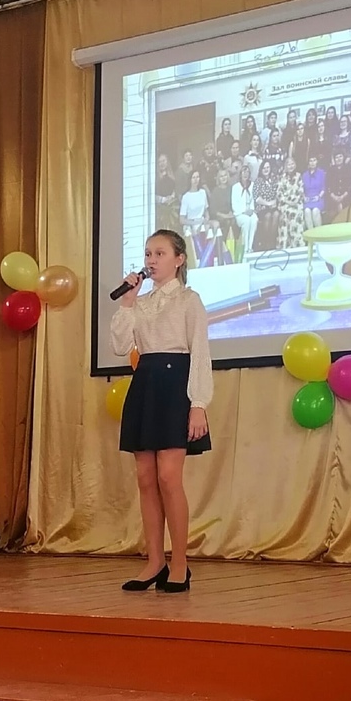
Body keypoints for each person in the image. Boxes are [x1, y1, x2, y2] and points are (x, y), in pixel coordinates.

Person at [110, 230, 212, 593]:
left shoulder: (189, 300)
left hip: (175, 387)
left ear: (179, 259)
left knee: (169, 477)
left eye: (160, 253)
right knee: (145, 478)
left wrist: (198, 404)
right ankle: (154, 561)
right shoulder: (140, 303)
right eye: (148, 254)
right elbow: (120, 346)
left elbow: (200, 353)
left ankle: (180, 563)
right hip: (146, 384)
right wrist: (127, 301)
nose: (151, 260)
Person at [276, 156, 305, 249]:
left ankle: (297, 243)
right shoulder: (282, 177)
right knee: (286, 213)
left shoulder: (299, 176)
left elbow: (301, 191)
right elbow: (279, 193)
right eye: (289, 164)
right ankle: (285, 245)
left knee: (296, 212)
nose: (291, 166)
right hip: (285, 203)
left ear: (295, 165)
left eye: (292, 164)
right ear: (286, 166)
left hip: (296, 203)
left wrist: (295, 202)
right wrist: (288, 202)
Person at [253, 158, 280, 250]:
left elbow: (278, 193)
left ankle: (272, 241)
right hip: (262, 207)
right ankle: (265, 242)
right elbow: (257, 198)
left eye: (268, 167)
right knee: (268, 215)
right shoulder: (258, 181)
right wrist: (268, 203)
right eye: (264, 168)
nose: (266, 169)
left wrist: (275, 202)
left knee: (276, 214)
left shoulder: (274, 180)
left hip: (273, 206)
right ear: (261, 169)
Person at [231, 164, 258, 252]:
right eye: (243, 172)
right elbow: (234, 204)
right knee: (246, 221)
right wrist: (244, 211)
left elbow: (254, 200)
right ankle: (245, 248)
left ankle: (250, 247)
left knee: (254, 220)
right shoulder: (235, 187)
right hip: (240, 213)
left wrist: (251, 210)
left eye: (247, 172)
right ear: (240, 174)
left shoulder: (253, 185)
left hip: (251, 211)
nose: (245, 174)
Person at [208, 168, 238, 243]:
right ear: (218, 178)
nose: (223, 178)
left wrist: (231, 212)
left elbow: (235, 203)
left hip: (230, 214)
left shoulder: (232, 189)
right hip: (219, 216)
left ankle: (234, 243)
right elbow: (213, 210)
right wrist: (224, 215)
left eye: (225, 175)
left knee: (234, 221)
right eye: (221, 176)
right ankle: (223, 244)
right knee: (227, 222)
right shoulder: (215, 191)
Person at [326, 149, 351, 221]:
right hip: (333, 198)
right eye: (337, 157)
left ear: (343, 157)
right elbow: (328, 185)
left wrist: (342, 196)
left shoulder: (348, 169)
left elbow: (350, 184)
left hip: (346, 197)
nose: (339, 159)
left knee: (346, 210)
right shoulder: (330, 170)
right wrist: (334, 196)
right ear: (334, 159)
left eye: (340, 156)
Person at [155, 153, 178, 231]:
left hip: (171, 207)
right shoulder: (156, 178)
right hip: (159, 209)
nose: (162, 163)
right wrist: (163, 199)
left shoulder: (172, 176)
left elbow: (174, 190)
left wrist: (171, 197)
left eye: (164, 161)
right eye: (160, 162)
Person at [302, 156, 326, 229]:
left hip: (318, 198)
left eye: (314, 160)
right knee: (307, 211)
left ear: (317, 161)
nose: (312, 163)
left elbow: (324, 188)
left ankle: (319, 233)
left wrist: (319, 196)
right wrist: (304, 197)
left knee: (315, 211)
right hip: (308, 199)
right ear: (308, 163)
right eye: (310, 161)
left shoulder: (322, 173)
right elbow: (302, 189)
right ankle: (311, 233)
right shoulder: (304, 175)